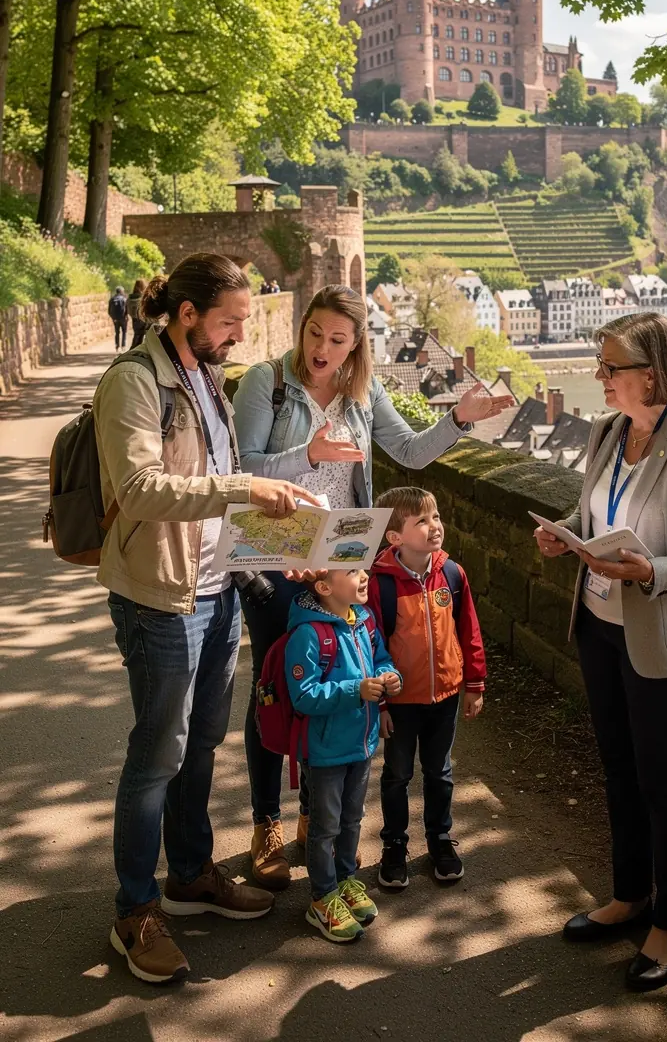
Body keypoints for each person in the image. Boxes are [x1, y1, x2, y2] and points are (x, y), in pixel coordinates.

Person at [233, 284, 513, 891]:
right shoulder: (266, 383)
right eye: (314, 333)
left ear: (356, 342)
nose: (321, 349)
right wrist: (306, 453)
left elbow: (409, 453)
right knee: (278, 690)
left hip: (341, 560)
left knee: (333, 686)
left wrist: (459, 418)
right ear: (302, 326)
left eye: (337, 340)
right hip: (278, 556)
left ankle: (313, 814)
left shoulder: (364, 390)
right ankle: (265, 825)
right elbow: (244, 469)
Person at [93, 252, 320, 985]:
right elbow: (141, 489)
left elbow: (222, 507)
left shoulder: (206, 375)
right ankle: (135, 909)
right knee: (157, 755)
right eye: (229, 321)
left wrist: (291, 547)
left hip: (219, 591)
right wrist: (246, 486)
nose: (237, 335)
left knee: (200, 749)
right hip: (161, 597)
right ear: (187, 314)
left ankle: (189, 875)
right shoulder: (135, 381)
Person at [534, 312, 667, 992]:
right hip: (598, 625)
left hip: (664, 634)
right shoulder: (605, 431)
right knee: (618, 769)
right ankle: (629, 896)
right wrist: (565, 533)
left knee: (665, 783)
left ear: (649, 373)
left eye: (609, 367)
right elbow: (594, 515)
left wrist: (654, 572)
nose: (600, 377)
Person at [367, 486, 486, 889]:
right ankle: (394, 845)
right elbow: (372, 644)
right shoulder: (379, 584)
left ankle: (439, 839)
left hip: (446, 695)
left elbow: (468, 629)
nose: (434, 526)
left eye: (435, 517)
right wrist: (380, 704)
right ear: (394, 537)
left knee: (440, 772)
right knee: (397, 774)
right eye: (421, 521)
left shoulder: (452, 573)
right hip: (400, 700)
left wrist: (474, 682)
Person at [285, 569, 401, 942]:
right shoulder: (307, 633)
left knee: (353, 819)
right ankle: (321, 898)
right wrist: (356, 690)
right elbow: (302, 694)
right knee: (325, 828)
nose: (364, 575)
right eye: (352, 571)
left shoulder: (363, 620)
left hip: (361, 743)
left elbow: (380, 658)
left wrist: (389, 677)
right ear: (323, 588)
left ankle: (346, 880)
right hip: (325, 752)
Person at [127, 278, 148, 348]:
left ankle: (133, 352)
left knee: (137, 338)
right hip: (144, 319)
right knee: (146, 339)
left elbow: (127, 309)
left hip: (135, 320)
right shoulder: (143, 297)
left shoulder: (130, 297)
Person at [108, 285, 128, 351]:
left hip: (115, 319)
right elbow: (127, 309)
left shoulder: (112, 299)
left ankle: (117, 346)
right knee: (124, 332)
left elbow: (109, 311)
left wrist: (113, 318)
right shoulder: (124, 299)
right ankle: (123, 346)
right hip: (123, 319)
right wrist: (126, 316)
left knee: (117, 332)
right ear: (122, 291)